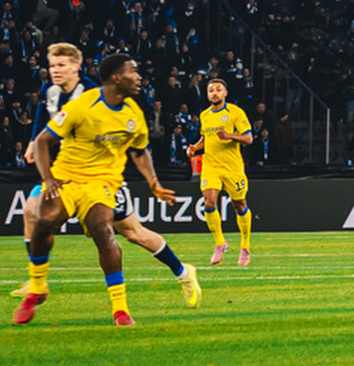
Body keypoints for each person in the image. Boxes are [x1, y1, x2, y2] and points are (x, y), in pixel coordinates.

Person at [20, 55, 196, 326]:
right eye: (133, 72)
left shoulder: (133, 113)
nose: (139, 78)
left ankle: (121, 309)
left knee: (107, 230)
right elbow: (43, 140)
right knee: (42, 220)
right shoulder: (81, 106)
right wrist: (49, 178)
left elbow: (139, 150)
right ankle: (37, 288)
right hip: (68, 178)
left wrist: (153, 183)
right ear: (116, 77)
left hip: (103, 184)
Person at [188, 75, 256, 266]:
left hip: (232, 167)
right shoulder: (205, 115)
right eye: (211, 90)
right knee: (209, 203)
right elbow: (206, 139)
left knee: (239, 205)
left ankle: (244, 246)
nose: (214, 93)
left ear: (225, 93)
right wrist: (194, 147)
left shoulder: (235, 113)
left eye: (218, 90)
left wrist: (229, 136)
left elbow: (249, 138)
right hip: (210, 166)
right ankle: (220, 243)